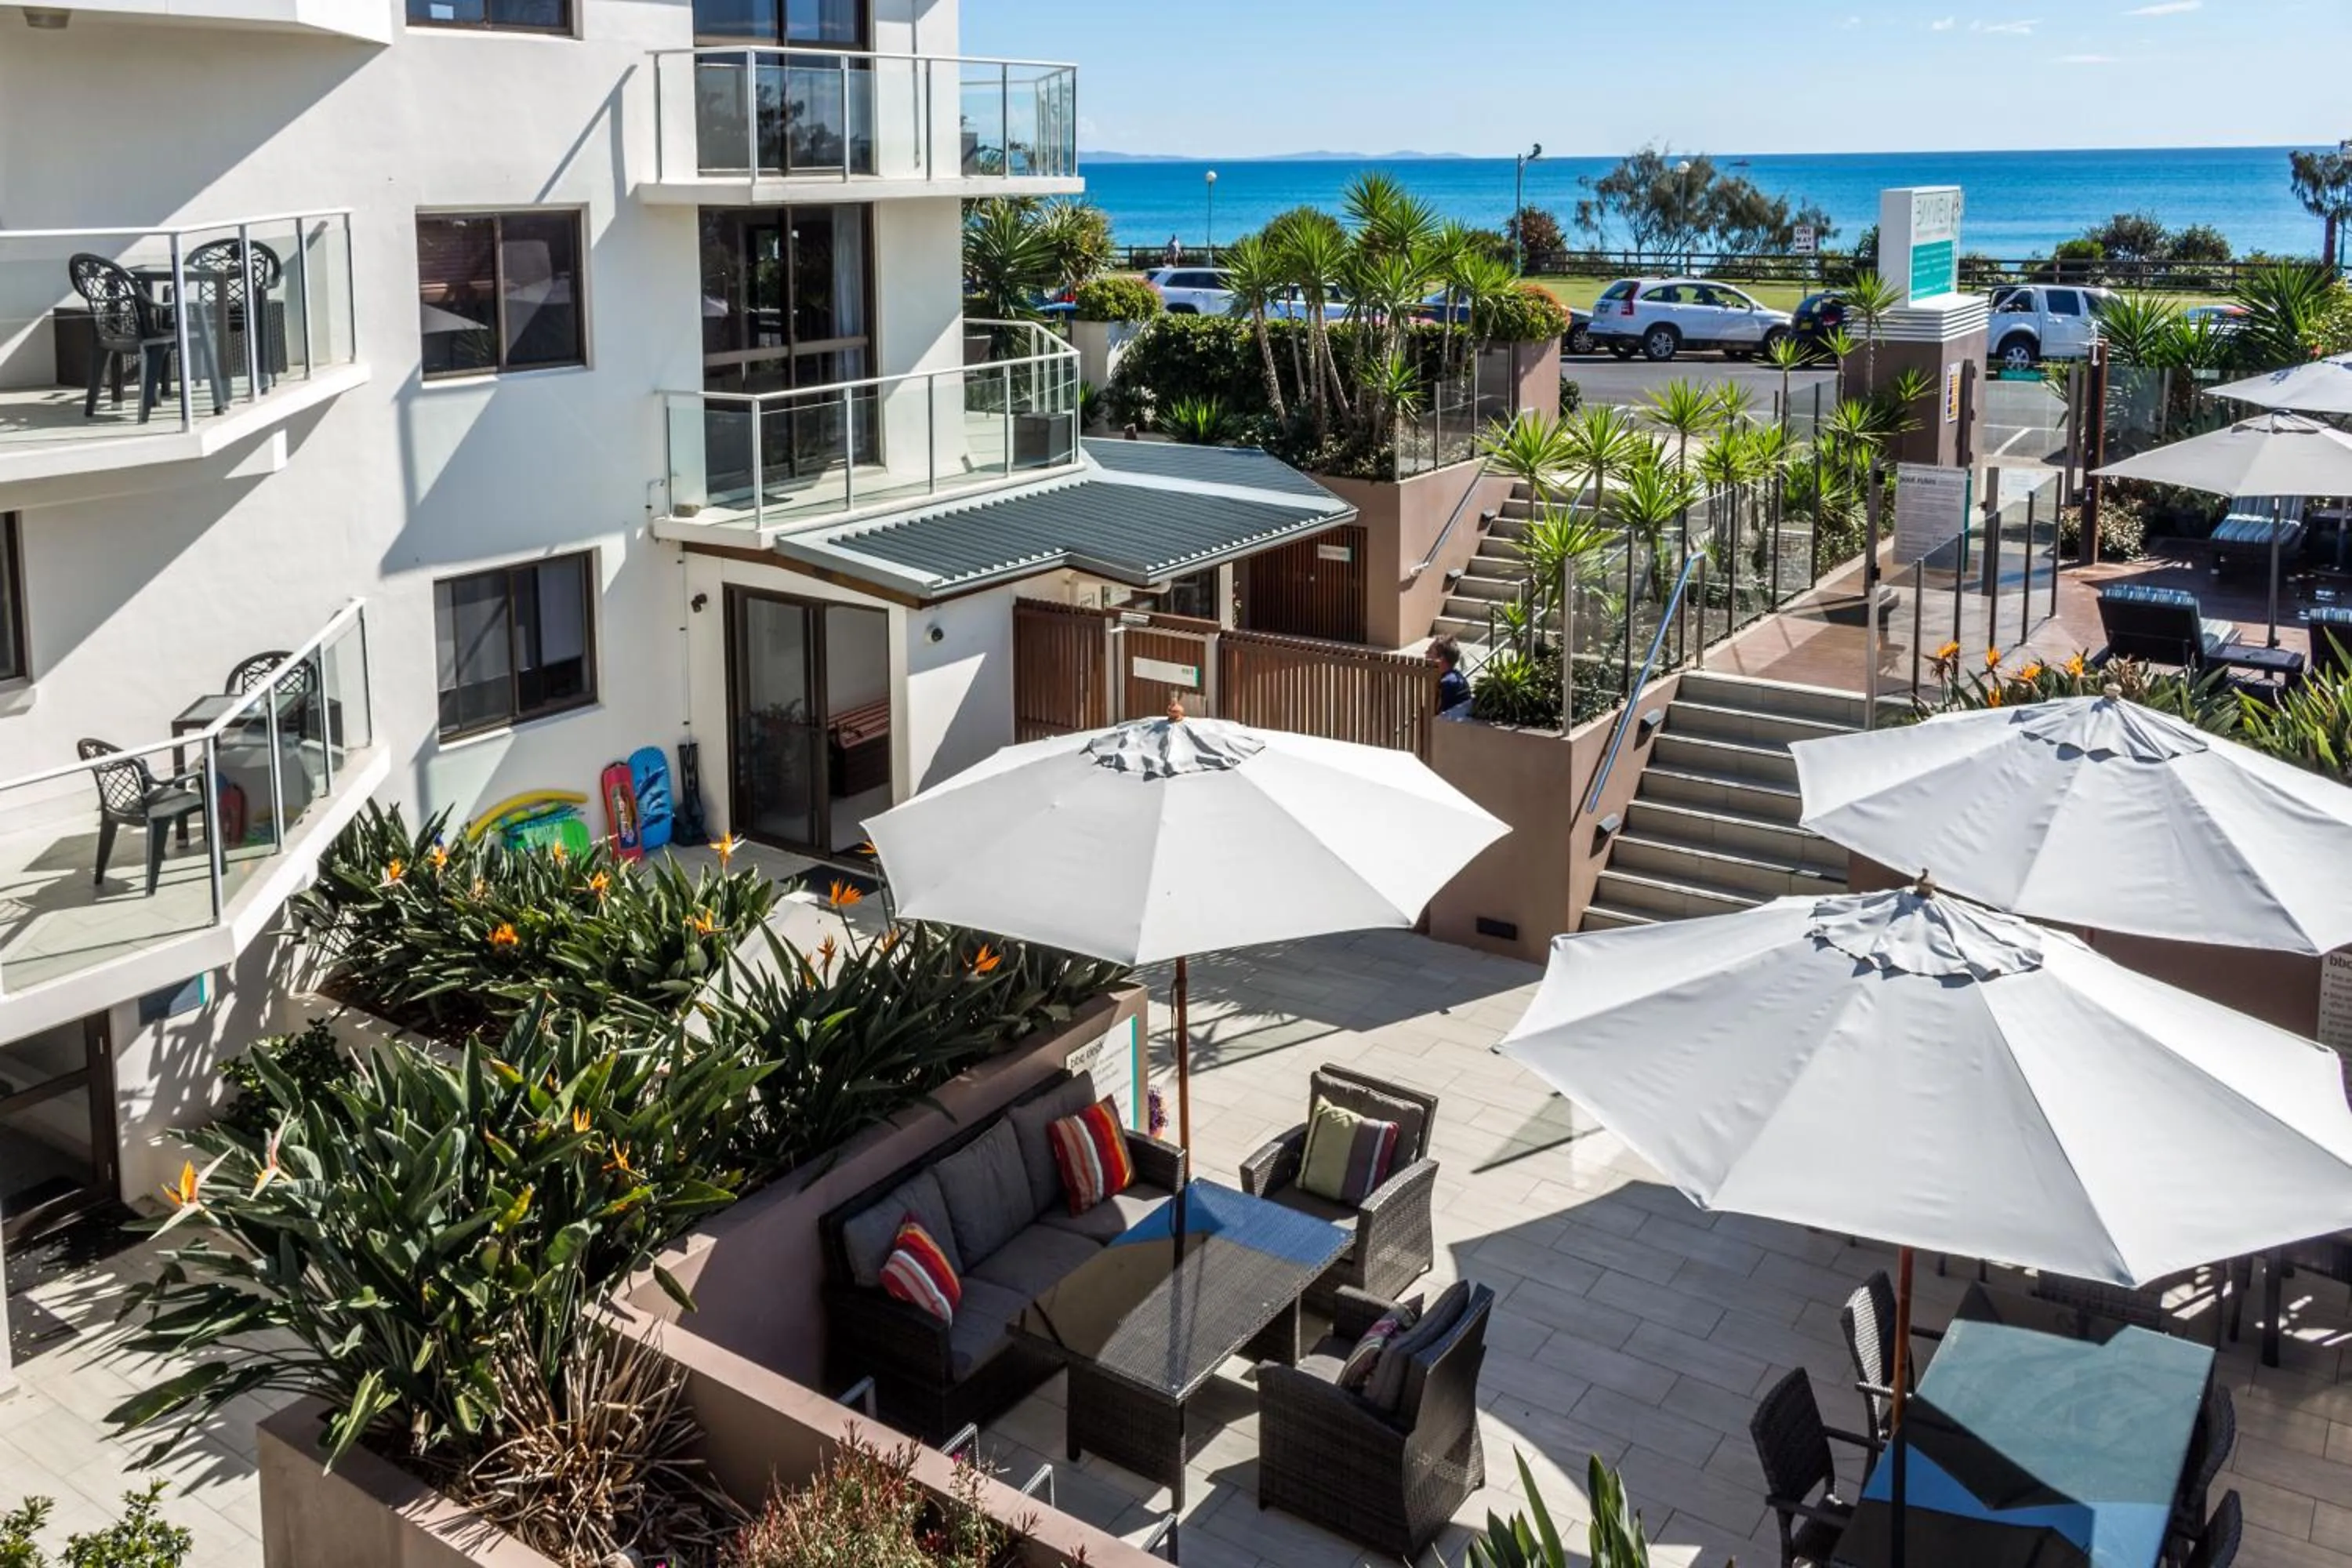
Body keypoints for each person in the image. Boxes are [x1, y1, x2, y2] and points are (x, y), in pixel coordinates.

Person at [1430, 637, 1471, 712]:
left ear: (1441, 658)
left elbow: (1437, 714)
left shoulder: (1446, 683)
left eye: (1430, 652)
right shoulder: (1458, 677)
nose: (1426, 654)